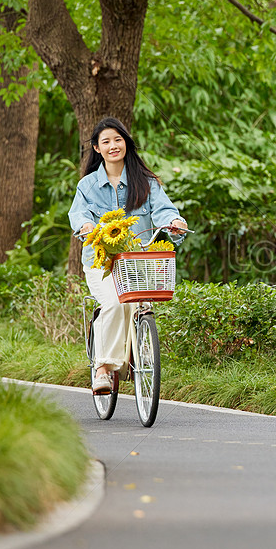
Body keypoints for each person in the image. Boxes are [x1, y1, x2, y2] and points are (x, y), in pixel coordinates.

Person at [68, 117, 186, 395]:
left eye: (117, 140)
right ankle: (103, 368)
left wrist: (175, 221)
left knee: (138, 305)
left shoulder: (145, 182)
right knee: (113, 302)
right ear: (97, 148)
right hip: (102, 264)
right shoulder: (87, 186)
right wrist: (86, 226)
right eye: (106, 141)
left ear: (126, 143)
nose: (113, 146)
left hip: (138, 262)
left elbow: (163, 210)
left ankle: (137, 352)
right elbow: (79, 214)